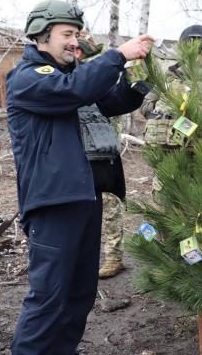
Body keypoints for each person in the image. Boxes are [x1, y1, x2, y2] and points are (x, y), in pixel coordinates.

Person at [6, 0, 153, 354]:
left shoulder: (69, 78)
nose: (74, 42)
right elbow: (72, 91)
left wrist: (140, 84)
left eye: (76, 34)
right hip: (54, 202)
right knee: (49, 297)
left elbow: (106, 101)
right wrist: (117, 55)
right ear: (42, 38)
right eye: (66, 35)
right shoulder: (27, 79)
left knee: (79, 293)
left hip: (85, 197)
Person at [75, 32, 127, 278]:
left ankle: (114, 257)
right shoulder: (63, 81)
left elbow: (117, 99)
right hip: (82, 163)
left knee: (112, 212)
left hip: (106, 159)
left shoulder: (95, 86)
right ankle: (83, 260)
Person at [140, 24, 202, 146]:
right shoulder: (168, 79)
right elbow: (145, 107)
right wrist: (167, 106)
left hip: (201, 154)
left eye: (201, 51)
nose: (196, 57)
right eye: (189, 51)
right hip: (163, 152)